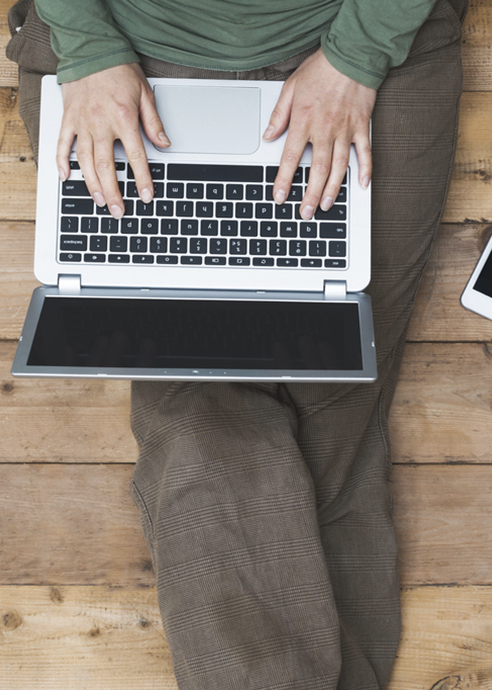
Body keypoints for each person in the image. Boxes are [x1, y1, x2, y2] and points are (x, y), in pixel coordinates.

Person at [6, 0, 466, 687]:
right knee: (198, 411)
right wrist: (89, 47)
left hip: (366, 34)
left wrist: (357, 54)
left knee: (335, 395)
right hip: (126, 41)